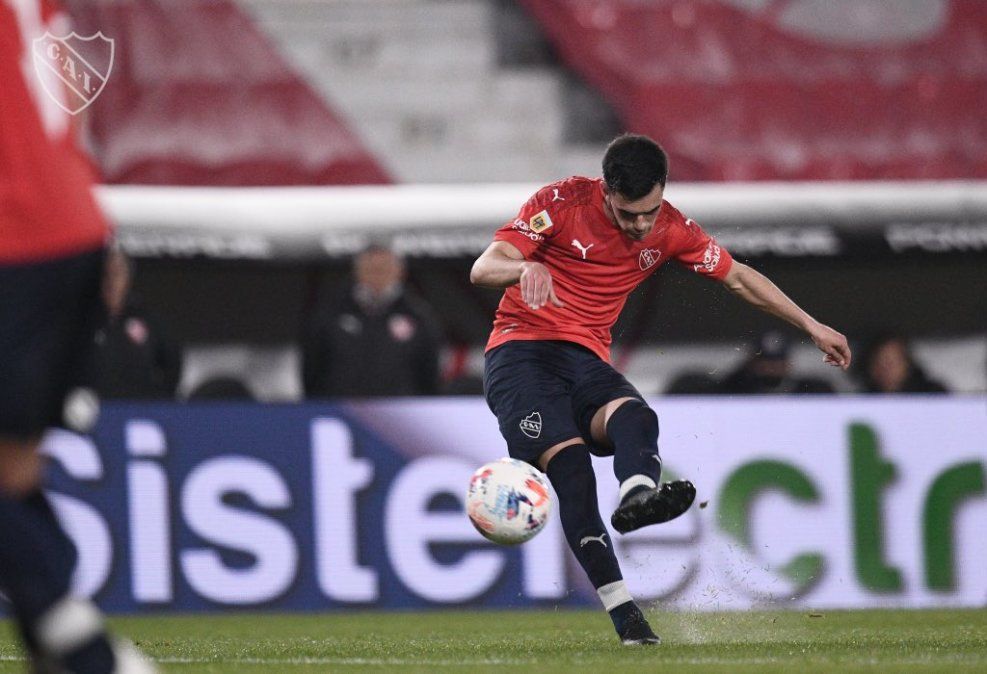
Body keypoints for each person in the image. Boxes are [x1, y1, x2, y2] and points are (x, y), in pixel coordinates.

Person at [470, 133, 851, 645]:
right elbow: (483, 267)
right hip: (521, 355)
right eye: (628, 214)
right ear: (606, 190)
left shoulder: (671, 228)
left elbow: (738, 278)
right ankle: (627, 618)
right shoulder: (559, 203)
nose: (640, 225)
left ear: (663, 190)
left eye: (649, 211)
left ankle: (636, 496)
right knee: (573, 474)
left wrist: (812, 326)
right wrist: (525, 266)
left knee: (636, 415)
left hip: (585, 358)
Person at [0, 4, 155, 672]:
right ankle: (57, 646)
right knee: (13, 470)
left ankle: (87, 652)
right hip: (71, 224)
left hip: (16, 234)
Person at [302, 244, 442, 398]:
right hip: (341, 407)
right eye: (371, 269)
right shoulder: (330, 313)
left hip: (400, 408)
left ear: (400, 271)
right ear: (357, 272)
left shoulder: (418, 316)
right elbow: (312, 368)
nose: (377, 275)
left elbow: (429, 374)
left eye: (383, 269)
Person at [92, 249, 182, 400]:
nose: (111, 282)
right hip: (94, 408)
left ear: (128, 278)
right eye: (106, 275)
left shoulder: (149, 320)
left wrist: (161, 400)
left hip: (139, 408)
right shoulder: (82, 322)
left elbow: (172, 363)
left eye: (117, 274)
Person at [716, 330, 835, 394]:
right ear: (752, 362)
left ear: (787, 363)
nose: (771, 368)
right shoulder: (735, 389)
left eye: (778, 361)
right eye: (765, 362)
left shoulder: (808, 389)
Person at [857, 333, 947, 393]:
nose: (886, 370)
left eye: (891, 363)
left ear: (907, 363)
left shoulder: (933, 394)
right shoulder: (862, 399)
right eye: (878, 363)